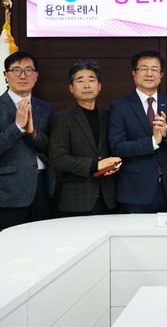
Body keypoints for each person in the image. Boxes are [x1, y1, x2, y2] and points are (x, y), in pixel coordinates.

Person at [0, 51, 55, 231]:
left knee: (43, 242)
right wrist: (17, 127)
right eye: (16, 70)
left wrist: (32, 132)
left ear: (36, 76)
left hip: (42, 188)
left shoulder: (46, 107)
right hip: (9, 190)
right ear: (6, 76)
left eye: (28, 70)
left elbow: (50, 147)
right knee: (12, 244)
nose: (22, 75)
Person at [108, 48, 167, 213]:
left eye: (154, 69)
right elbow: (117, 146)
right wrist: (152, 142)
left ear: (161, 75)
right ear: (134, 74)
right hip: (136, 191)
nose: (149, 73)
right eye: (144, 68)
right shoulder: (120, 106)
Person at [50, 61, 120, 216]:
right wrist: (95, 165)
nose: (86, 85)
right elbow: (58, 158)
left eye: (91, 80)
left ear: (99, 86)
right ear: (71, 88)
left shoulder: (111, 116)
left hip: (110, 198)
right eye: (80, 81)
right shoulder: (62, 119)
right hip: (77, 200)